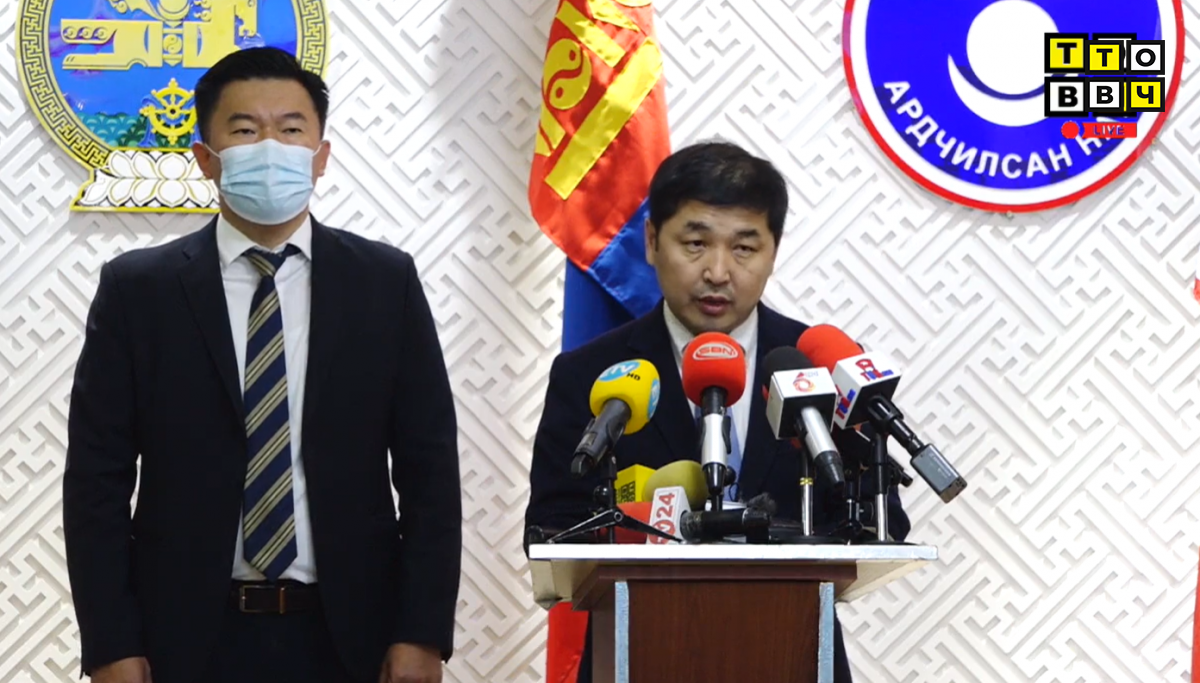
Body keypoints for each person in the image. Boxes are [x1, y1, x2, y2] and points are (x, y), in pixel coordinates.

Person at [62, 47, 462, 683]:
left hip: (350, 637)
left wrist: (422, 632)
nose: (271, 146)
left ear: (321, 156)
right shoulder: (139, 291)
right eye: (245, 130)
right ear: (206, 158)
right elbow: (96, 482)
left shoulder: (385, 284)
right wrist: (111, 643)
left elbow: (430, 473)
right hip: (183, 641)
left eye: (292, 128)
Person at [524, 141, 911, 682]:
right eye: (696, 243)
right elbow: (551, 530)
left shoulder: (817, 366)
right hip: (637, 655)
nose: (717, 271)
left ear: (773, 251)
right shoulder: (591, 373)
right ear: (652, 241)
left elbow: (881, 519)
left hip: (795, 654)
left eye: (744, 248)